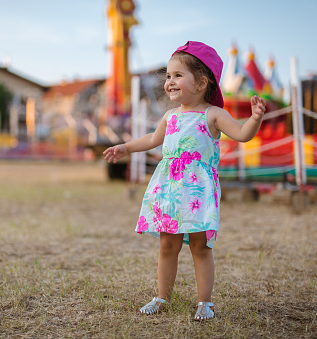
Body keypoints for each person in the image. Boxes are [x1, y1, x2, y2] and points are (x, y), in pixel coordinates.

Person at [103, 41, 266, 321]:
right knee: (168, 245)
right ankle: (162, 296)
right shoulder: (170, 116)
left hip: (198, 193)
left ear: (202, 82)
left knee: (201, 246)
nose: (169, 82)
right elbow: (153, 140)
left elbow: (241, 134)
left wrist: (255, 119)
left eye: (178, 75)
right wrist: (126, 147)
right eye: (168, 76)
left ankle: (205, 302)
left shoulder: (212, 115)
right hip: (170, 190)